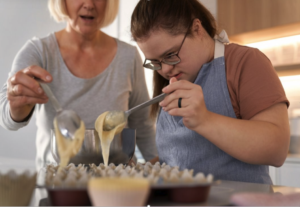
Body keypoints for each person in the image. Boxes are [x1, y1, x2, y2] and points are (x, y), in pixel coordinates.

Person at [131, 0, 290, 184]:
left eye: (170, 55)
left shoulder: (246, 62)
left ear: (197, 29)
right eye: (155, 62)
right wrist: (136, 170)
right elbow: (183, 158)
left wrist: (205, 120)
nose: (165, 69)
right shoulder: (170, 79)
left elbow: (276, 149)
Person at [0, 0, 157, 170]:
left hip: (115, 187)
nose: (89, 4)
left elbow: (143, 127)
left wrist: (162, 173)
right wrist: (17, 108)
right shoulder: (39, 52)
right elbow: (6, 116)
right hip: (55, 188)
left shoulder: (129, 56)